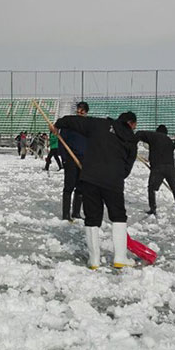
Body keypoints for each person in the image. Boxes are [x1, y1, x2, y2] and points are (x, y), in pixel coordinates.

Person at [53, 111, 138, 269]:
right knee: (118, 216)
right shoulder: (131, 139)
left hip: (90, 178)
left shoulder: (99, 124)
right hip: (113, 181)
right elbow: (127, 167)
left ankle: (94, 261)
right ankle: (120, 258)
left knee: (92, 218)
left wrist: (59, 124)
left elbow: (75, 121)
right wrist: (117, 174)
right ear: (132, 124)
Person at [136, 125, 175, 216]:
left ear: (157, 131)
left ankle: (153, 208)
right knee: (174, 187)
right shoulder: (169, 140)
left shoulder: (154, 136)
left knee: (151, 188)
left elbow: (139, 133)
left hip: (157, 167)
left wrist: (132, 144)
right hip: (170, 168)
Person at [58, 102, 88, 221]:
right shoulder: (69, 124)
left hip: (84, 160)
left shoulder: (88, 126)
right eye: (79, 110)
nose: (80, 112)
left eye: (83, 110)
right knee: (69, 186)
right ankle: (66, 214)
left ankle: (76, 213)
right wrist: (64, 159)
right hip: (70, 159)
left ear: (86, 112)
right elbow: (61, 142)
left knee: (81, 187)